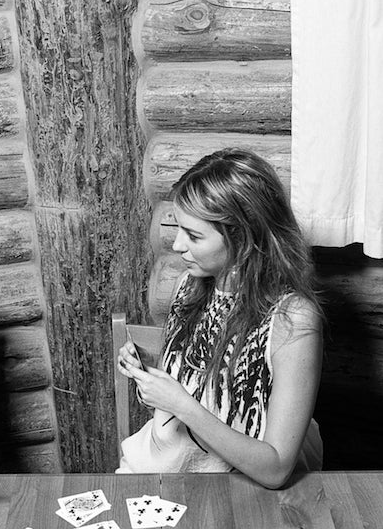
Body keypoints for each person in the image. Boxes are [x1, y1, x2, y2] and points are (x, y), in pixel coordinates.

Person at [117, 149, 324, 488]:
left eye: (194, 235)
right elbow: (207, 383)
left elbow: (275, 470)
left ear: (242, 238)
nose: (178, 245)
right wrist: (151, 373)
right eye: (178, 229)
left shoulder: (293, 320)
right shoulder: (190, 284)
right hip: (168, 466)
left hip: (242, 489)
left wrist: (180, 404)